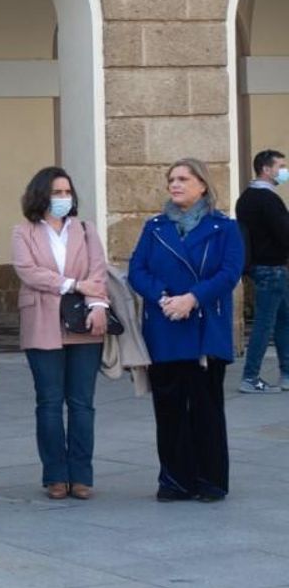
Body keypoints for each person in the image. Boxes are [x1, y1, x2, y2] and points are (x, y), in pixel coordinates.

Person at [128, 158, 244, 503]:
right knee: (169, 407)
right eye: (171, 180)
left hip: (205, 328)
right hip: (165, 326)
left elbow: (229, 272)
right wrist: (163, 297)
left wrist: (193, 298)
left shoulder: (225, 227)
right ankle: (175, 480)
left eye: (182, 179)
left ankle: (210, 479)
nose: (175, 185)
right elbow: (137, 269)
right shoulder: (155, 227)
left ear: (202, 185)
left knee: (206, 407)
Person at [12, 166, 110, 501]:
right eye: (57, 192)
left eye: (67, 192)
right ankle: (55, 475)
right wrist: (72, 284)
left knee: (82, 403)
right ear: (41, 195)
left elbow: (99, 270)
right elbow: (28, 271)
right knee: (50, 402)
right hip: (41, 322)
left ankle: (81, 475)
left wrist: (98, 304)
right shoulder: (23, 231)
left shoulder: (85, 230)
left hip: (84, 322)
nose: (63, 198)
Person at [235, 149, 289, 393]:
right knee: (266, 324)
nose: (284, 171)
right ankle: (250, 376)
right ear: (266, 169)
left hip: (259, 266)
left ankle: (287, 373)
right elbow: (284, 233)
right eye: (281, 166)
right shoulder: (268, 200)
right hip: (272, 268)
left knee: (283, 321)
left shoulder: (245, 198)